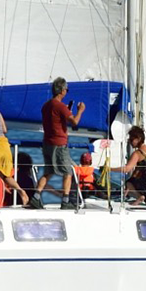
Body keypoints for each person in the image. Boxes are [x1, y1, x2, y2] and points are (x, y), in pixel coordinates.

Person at [35, 77, 85, 208]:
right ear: (62, 90)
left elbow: (54, 119)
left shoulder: (46, 106)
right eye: (66, 90)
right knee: (68, 172)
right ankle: (65, 201)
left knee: (49, 171)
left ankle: (36, 196)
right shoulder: (61, 106)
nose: (66, 92)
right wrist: (80, 110)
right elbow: (74, 121)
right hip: (59, 144)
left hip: (47, 143)